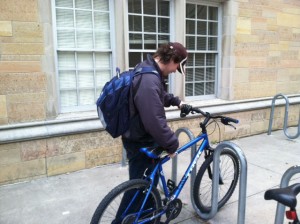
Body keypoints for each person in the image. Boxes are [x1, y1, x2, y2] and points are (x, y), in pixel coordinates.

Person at [122, 42, 188, 181]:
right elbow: (154, 120)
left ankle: (153, 202)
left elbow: (157, 95)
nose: (175, 70)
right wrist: (171, 144)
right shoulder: (149, 79)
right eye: (177, 66)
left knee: (149, 184)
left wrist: (176, 102)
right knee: (138, 190)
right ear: (171, 59)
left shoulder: (148, 69)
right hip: (141, 140)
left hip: (138, 134)